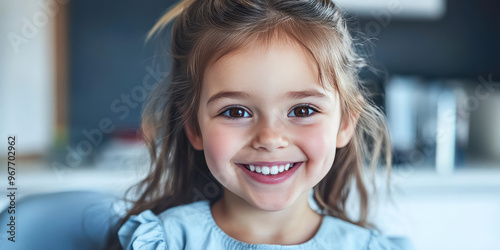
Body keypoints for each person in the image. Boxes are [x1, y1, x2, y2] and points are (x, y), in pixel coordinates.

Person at [111, 0, 414, 249]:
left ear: (345, 122)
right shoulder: (167, 241)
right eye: (235, 112)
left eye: (303, 109)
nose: (270, 138)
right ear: (193, 127)